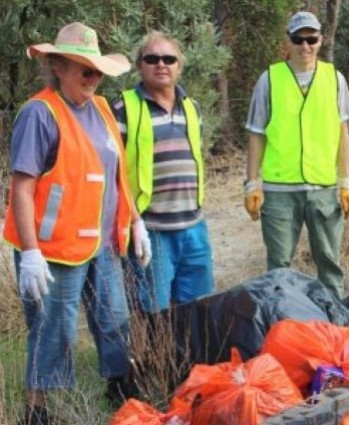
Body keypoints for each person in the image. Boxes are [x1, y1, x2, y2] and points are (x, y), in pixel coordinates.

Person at [3, 22, 152, 424]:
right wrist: (30, 253)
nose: (93, 78)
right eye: (85, 70)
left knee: (114, 318)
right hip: (55, 247)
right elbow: (21, 188)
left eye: (97, 71)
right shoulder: (39, 113)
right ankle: (37, 409)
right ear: (58, 67)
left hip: (103, 243)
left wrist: (135, 221)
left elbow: (117, 175)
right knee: (54, 327)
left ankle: (120, 387)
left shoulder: (102, 109)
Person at [243, 11, 349, 299]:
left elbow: (343, 134)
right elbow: (256, 134)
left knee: (330, 266)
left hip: (323, 189)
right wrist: (252, 184)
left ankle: (334, 321)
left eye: (311, 39)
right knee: (278, 269)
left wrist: (346, 183)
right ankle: (280, 320)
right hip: (279, 191)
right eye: (298, 39)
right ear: (288, 41)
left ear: (320, 40)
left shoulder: (335, 79)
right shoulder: (269, 80)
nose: (305, 46)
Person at [112, 31, 214, 312]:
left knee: (199, 310)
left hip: (194, 226)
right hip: (150, 230)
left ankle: (191, 346)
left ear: (179, 66)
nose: (161, 64)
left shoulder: (193, 108)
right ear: (139, 65)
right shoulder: (123, 108)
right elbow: (113, 173)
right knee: (153, 313)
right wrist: (133, 223)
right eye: (152, 59)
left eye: (169, 59)